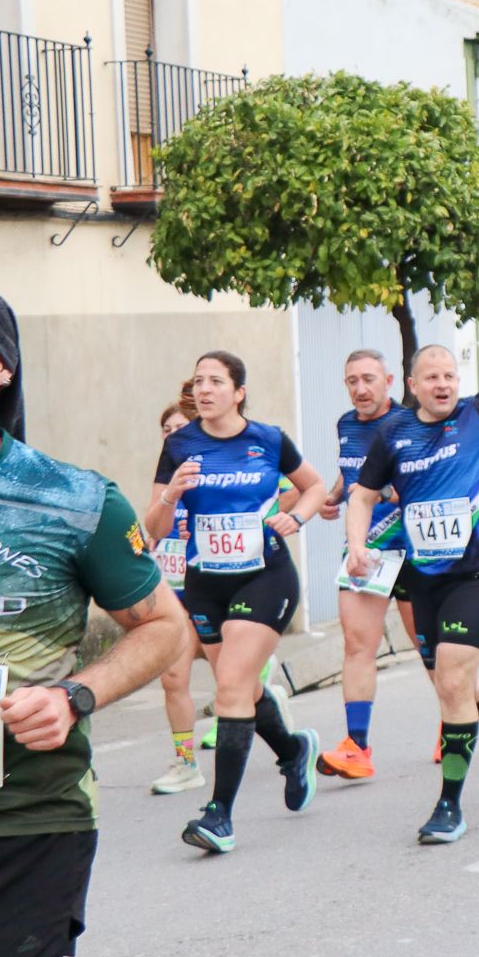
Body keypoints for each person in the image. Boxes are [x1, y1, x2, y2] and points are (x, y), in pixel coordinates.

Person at [0, 274, 185, 957]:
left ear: (3, 363)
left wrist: (74, 695)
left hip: (20, 828)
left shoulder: (74, 500)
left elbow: (163, 625)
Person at [345, 338, 479, 843]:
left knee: (454, 680)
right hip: (423, 577)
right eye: (431, 377)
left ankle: (449, 805)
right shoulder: (394, 432)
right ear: (412, 386)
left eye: (449, 376)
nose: (442, 384)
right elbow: (362, 494)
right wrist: (356, 545)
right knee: (447, 680)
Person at [149, 352, 329, 853]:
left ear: (238, 392)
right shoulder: (180, 445)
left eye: (216, 381)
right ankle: (294, 751)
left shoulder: (267, 440)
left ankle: (219, 814)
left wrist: (297, 518)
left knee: (230, 685)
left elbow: (312, 487)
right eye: (198, 381)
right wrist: (171, 497)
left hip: (265, 577)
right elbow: (154, 529)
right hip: (206, 582)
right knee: (243, 690)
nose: (204, 389)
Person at [315, 349, 418, 782]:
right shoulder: (344, 424)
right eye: (352, 380)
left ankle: (469, 722)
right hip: (367, 550)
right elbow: (351, 470)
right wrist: (336, 495)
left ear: (388, 381)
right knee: (357, 645)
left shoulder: (410, 424)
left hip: (413, 550)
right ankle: (357, 746)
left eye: (369, 379)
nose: (360, 388)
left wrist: (394, 493)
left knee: (434, 653)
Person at [148, 397, 205, 795]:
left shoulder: (219, 462)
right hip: (174, 588)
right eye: (166, 431)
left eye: (179, 428)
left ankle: (268, 699)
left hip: (213, 583)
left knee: (235, 679)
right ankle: (186, 762)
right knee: (173, 676)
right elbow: (151, 521)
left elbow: (282, 492)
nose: (172, 437)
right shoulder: (165, 471)